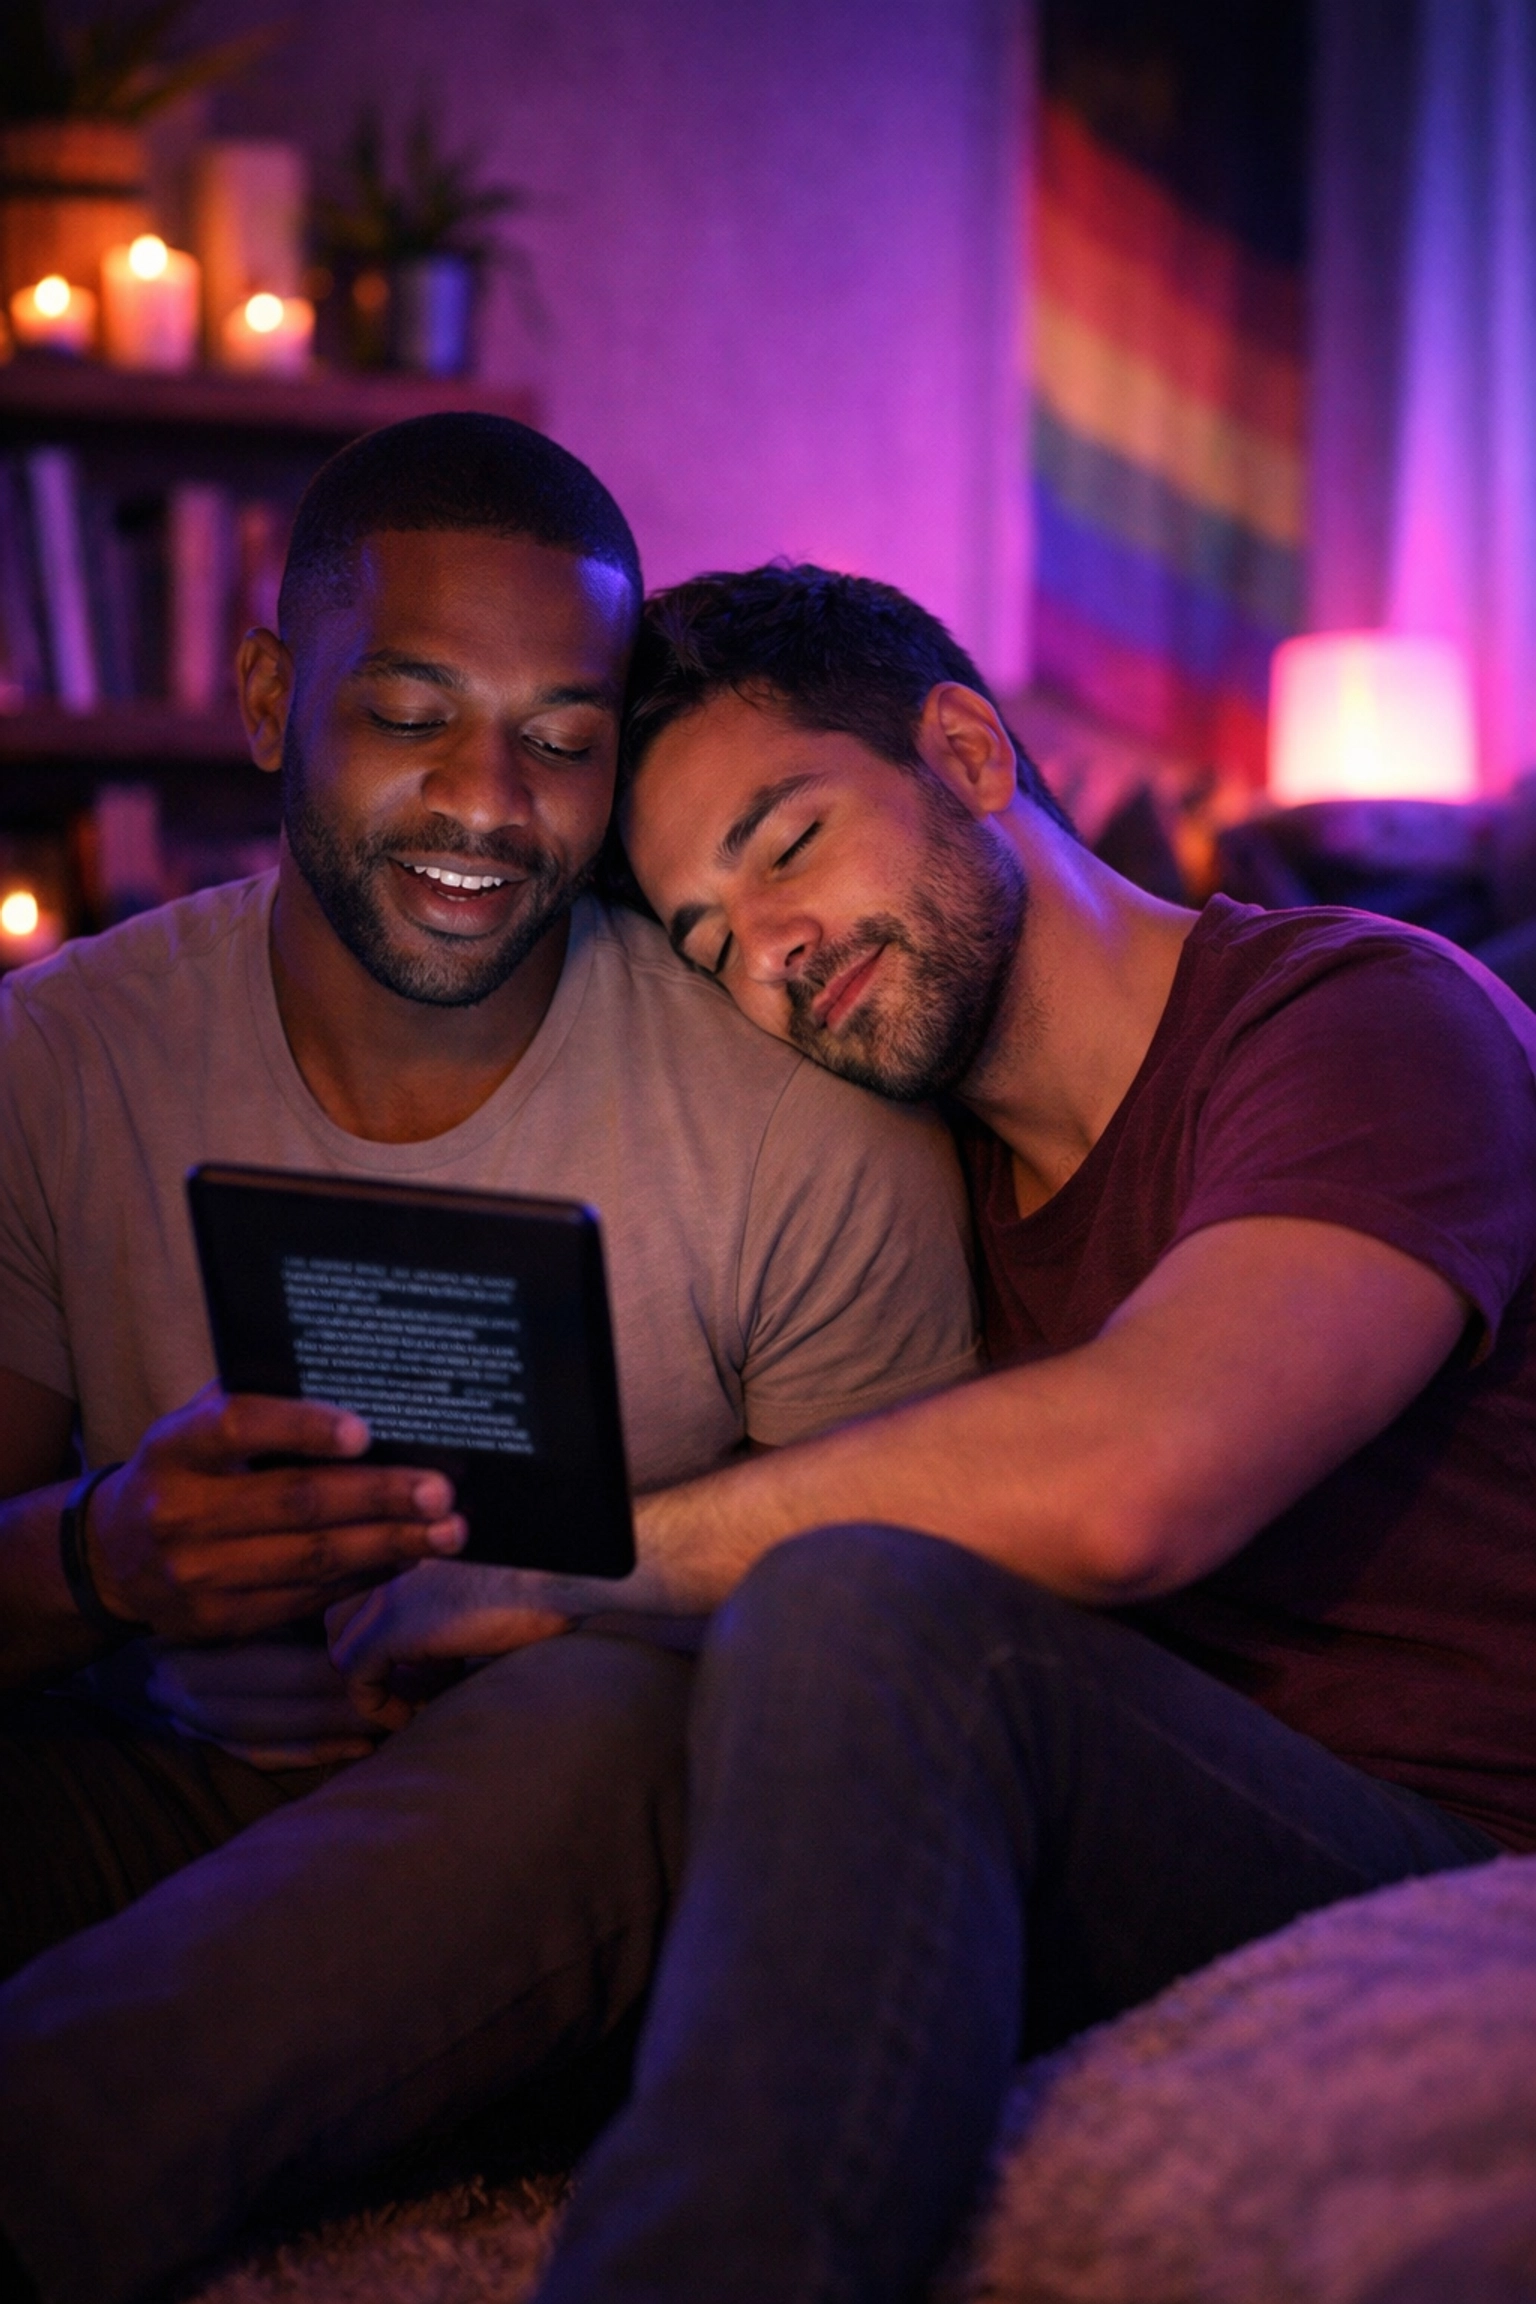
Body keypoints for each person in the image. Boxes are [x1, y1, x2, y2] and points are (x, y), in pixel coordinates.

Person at [331, 563, 1536, 2304]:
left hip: (1453, 1854)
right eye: (709, 940)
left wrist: (592, 1556)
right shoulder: (912, 1190)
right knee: (636, 1687)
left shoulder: (1356, 1014)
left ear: (967, 748)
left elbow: (1144, 1477)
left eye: (789, 845)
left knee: (858, 1612)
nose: (773, 954)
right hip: (1142, 1826)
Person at [0, 482, 978, 2304]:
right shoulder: (61, 1057)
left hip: (559, 1841)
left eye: (562, 739)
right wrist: (106, 1557)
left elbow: (894, 1683)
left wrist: (606, 1608)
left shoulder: (801, 1123)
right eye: (407, 714)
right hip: (162, 1779)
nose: (486, 802)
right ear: (267, 695)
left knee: (626, 1716)